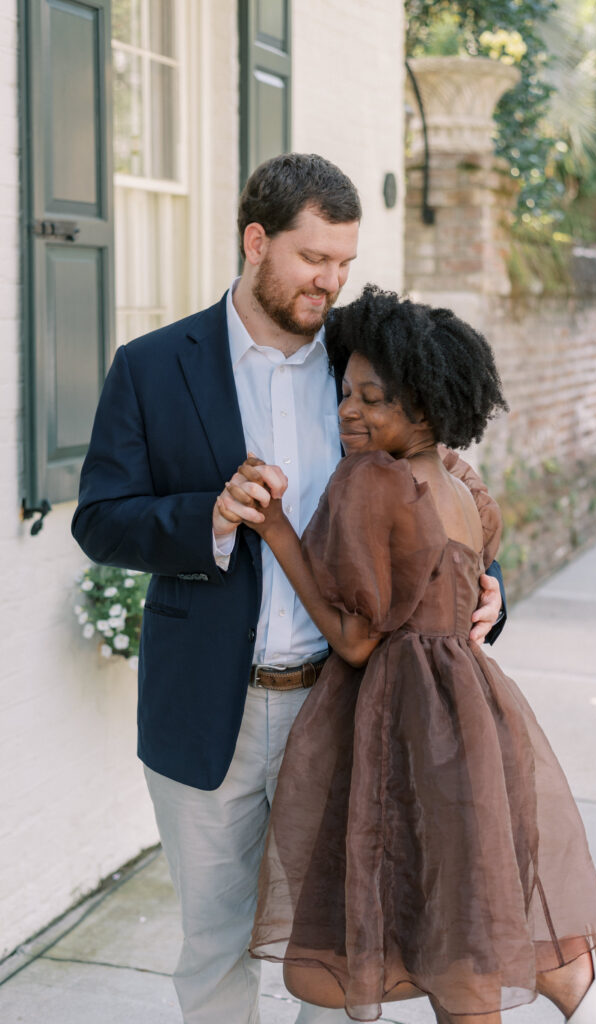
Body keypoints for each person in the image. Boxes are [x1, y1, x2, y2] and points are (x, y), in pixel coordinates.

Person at [71, 154, 506, 1024]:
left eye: (344, 261)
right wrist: (213, 515)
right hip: (205, 711)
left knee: (345, 944)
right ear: (256, 241)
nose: (331, 281)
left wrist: (489, 584)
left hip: (346, 703)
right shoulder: (153, 365)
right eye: (314, 259)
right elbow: (102, 518)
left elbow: (441, 479)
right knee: (215, 941)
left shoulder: (367, 362)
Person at [223, 286, 596, 1024]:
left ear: (426, 410)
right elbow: (466, 578)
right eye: (345, 393)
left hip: (402, 718)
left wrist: (277, 534)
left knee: (400, 914)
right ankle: (577, 990)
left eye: (373, 399)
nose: (349, 412)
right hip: (472, 717)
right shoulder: (462, 485)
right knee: (460, 917)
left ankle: (569, 991)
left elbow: (357, 638)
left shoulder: (369, 483)